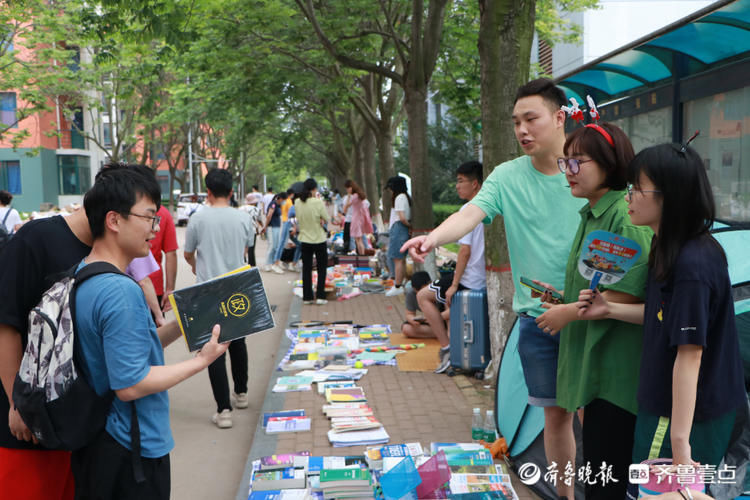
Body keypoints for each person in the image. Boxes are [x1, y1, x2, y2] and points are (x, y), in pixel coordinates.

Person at [401, 79, 585, 499]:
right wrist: (431, 239)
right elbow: (471, 213)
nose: (522, 129)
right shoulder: (506, 176)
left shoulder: (587, 167)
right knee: (556, 418)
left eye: (531, 119)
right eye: (516, 121)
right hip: (538, 320)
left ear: (559, 117)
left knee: (596, 416)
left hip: (591, 317)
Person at [576, 143, 746, 498]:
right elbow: (665, 319)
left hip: (683, 418)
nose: (629, 197)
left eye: (638, 188)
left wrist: (680, 448)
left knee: (659, 495)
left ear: (670, 196)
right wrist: (608, 309)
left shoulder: (692, 265)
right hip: (669, 411)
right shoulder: (669, 247)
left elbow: (690, 354)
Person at [72, 165, 228, 499]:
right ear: (114, 220)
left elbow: (129, 349)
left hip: (103, 441)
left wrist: (184, 326)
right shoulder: (120, 291)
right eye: (148, 218)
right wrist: (202, 361)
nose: (155, 230)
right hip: (133, 449)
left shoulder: (85, 273)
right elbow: (131, 384)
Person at [533, 121, 652, 499]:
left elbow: (629, 298)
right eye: (564, 162)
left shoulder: (624, 217)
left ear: (608, 162)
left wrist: (567, 312)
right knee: (601, 474)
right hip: (596, 367)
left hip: (616, 376)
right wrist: (562, 298)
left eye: (576, 162)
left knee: (607, 481)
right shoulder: (594, 213)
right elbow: (599, 287)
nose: (567, 172)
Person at [0, 205, 92, 500]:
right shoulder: (36, 238)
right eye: (148, 216)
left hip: (74, 424)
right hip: (25, 427)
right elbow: (6, 325)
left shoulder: (108, 254)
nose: (153, 229)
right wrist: (17, 403)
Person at [184, 168, 254, 429]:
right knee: (238, 342)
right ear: (232, 191)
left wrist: (195, 265)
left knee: (212, 348)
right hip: (236, 287)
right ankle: (242, 393)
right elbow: (246, 249)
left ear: (208, 192)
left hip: (207, 291)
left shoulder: (198, 219)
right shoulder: (243, 218)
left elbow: (188, 253)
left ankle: (224, 410)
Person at [419, 160, 487, 374]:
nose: (457, 186)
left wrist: (455, 284)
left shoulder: (469, 209)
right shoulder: (489, 206)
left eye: (460, 181)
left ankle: (447, 348)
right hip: (482, 279)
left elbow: (464, 251)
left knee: (423, 296)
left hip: (469, 279)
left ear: (475, 183)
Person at [295, 178, 330, 305]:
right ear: (314, 189)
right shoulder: (318, 202)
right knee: (321, 268)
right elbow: (327, 217)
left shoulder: (298, 202)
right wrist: (321, 219)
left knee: (306, 269)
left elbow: (299, 218)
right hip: (319, 239)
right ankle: (320, 296)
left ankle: (307, 297)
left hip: (304, 239)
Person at [384, 176, 412, 297]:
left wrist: (409, 225)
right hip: (402, 229)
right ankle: (402, 283)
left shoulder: (399, 198)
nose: (390, 190)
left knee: (397, 259)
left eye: (390, 187)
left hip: (399, 228)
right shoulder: (406, 197)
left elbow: (402, 217)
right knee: (401, 259)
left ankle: (397, 285)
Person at [149, 202, 178, 311]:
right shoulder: (163, 212)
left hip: (122, 283)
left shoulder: (123, 207)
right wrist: (169, 289)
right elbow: (171, 253)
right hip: (154, 287)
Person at [401, 271, 442, 339]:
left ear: (430, 283)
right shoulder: (411, 294)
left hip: (443, 321)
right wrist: (412, 319)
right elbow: (409, 314)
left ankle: (442, 334)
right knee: (406, 329)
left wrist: (436, 318)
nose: (420, 294)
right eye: (417, 291)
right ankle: (440, 334)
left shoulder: (440, 290)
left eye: (423, 290)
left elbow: (449, 313)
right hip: (429, 324)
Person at [343, 179, 373, 255]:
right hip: (360, 219)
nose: (347, 190)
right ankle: (362, 255)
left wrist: (349, 196)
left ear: (351, 187)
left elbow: (345, 209)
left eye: (348, 188)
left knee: (357, 240)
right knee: (359, 239)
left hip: (355, 219)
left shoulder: (354, 197)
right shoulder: (360, 196)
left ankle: (361, 255)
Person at [272, 189, 296, 271]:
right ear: (291, 194)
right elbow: (292, 213)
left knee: (282, 243)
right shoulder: (289, 201)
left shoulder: (284, 201)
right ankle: (276, 262)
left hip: (284, 221)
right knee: (282, 243)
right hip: (288, 222)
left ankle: (277, 261)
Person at [261, 191, 285, 273]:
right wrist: (265, 226)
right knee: (271, 245)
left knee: (275, 246)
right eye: (284, 200)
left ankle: (272, 263)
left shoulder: (278, 205)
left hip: (276, 227)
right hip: (272, 227)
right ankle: (267, 264)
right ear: (280, 198)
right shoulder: (273, 204)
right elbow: (269, 215)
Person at [242, 192, 264, 267]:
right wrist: (263, 227)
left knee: (243, 247)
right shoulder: (257, 210)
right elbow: (259, 220)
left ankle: (243, 261)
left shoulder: (242, 208)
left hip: (243, 230)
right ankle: (251, 264)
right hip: (252, 231)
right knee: (251, 248)